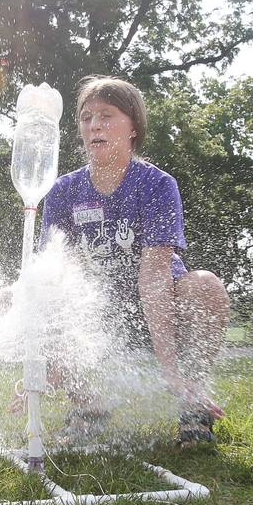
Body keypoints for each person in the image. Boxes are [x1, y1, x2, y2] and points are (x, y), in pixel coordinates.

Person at [38, 75, 230, 446]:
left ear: (133, 127)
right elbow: (58, 278)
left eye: (106, 115)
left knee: (204, 285)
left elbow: (155, 275)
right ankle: (88, 407)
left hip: (157, 308)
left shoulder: (156, 185)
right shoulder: (63, 191)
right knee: (39, 295)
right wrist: (41, 370)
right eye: (86, 117)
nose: (94, 125)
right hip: (100, 314)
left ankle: (192, 405)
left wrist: (171, 371)